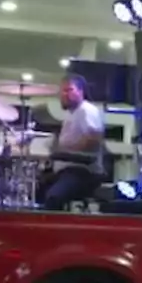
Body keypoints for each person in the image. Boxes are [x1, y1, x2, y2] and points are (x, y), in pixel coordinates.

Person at [41, 75, 105, 209]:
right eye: (63, 91)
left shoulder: (86, 110)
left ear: (81, 92)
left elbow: (94, 139)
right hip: (66, 170)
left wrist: (64, 153)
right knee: (37, 191)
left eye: (69, 90)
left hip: (81, 171)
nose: (64, 94)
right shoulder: (71, 113)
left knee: (54, 197)